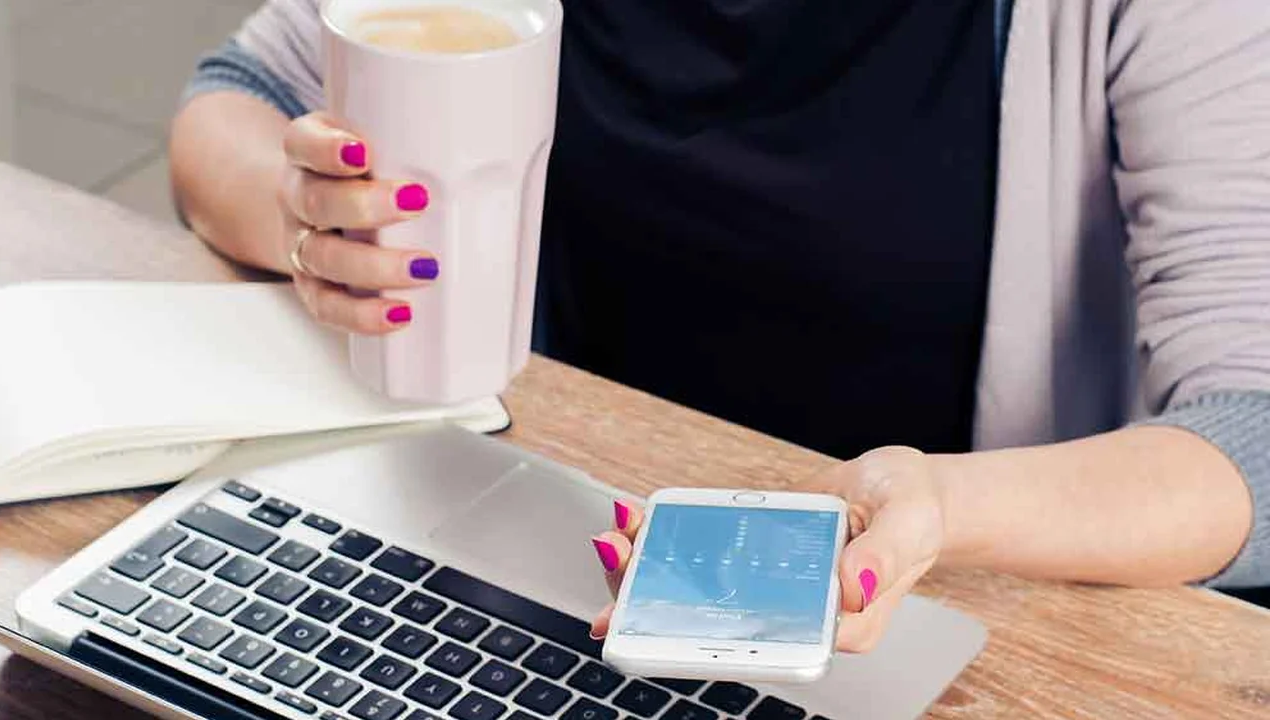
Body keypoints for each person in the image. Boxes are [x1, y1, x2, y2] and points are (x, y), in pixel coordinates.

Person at [170, 0, 1270, 645]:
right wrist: (313, 214)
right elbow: (233, 95)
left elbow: (1252, 433)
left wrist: (940, 509)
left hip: (931, 617)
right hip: (519, 546)